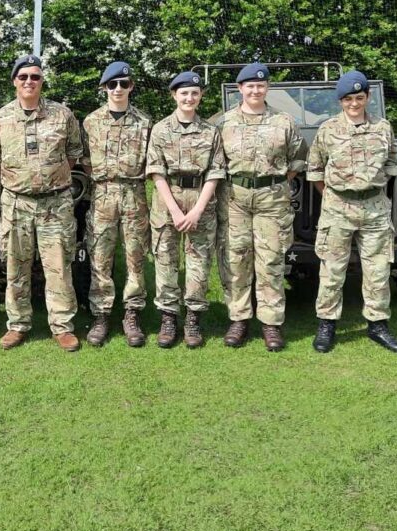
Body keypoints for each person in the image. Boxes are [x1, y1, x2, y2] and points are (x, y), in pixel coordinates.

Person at [0, 54, 84, 352]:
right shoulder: (0, 118)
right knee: (16, 266)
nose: (29, 81)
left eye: (35, 77)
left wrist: (48, 179)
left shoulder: (62, 115)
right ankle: (17, 325)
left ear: (42, 81)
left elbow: (73, 154)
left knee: (58, 266)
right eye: (24, 76)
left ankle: (62, 326)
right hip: (17, 204)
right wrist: (23, 181)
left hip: (55, 204)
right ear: (14, 81)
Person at [307, 69, 397, 354]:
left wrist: (376, 187)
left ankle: (378, 325)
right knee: (332, 269)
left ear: (367, 97)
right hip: (338, 207)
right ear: (340, 101)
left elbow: (391, 161)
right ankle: (327, 324)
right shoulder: (328, 129)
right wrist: (332, 196)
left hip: (374, 207)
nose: (354, 103)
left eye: (359, 98)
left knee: (378, 269)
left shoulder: (383, 127)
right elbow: (315, 169)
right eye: (348, 99)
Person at [219, 63, 305, 352]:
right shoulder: (224, 123)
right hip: (236, 199)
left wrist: (278, 181)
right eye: (250, 86)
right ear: (240, 88)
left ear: (267, 88)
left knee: (271, 261)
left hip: (272, 199)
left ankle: (271, 323)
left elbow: (298, 157)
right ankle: (239, 319)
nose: (255, 90)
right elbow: (216, 162)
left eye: (261, 85)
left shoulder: (284, 121)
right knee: (236, 259)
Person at [146, 71, 226, 348]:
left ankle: (193, 319)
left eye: (194, 93)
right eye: (184, 93)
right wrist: (176, 211)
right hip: (168, 201)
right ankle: (168, 318)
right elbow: (156, 172)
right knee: (166, 260)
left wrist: (197, 210)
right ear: (174, 95)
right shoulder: (160, 129)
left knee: (198, 263)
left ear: (200, 96)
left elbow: (215, 172)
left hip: (200, 201)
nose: (189, 98)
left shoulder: (210, 132)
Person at [81, 61, 152, 347]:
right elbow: (85, 161)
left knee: (136, 257)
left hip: (134, 194)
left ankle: (132, 314)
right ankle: (101, 315)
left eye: (124, 84)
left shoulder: (145, 122)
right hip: (102, 195)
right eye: (112, 84)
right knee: (100, 257)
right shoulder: (91, 122)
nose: (118, 89)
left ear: (131, 86)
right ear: (104, 88)